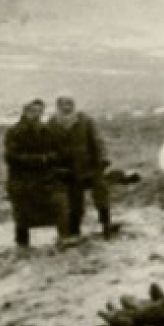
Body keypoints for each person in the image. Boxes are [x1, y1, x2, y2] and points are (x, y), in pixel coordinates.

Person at [50, 95, 117, 240]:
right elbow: (48, 145)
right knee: (75, 201)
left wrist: (103, 158)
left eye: (70, 104)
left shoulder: (85, 120)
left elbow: (98, 140)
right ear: (58, 106)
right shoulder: (52, 123)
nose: (67, 107)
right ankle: (75, 231)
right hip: (69, 169)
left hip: (90, 166)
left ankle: (106, 225)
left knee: (101, 196)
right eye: (63, 104)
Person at [4, 99, 64, 249]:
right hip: (21, 179)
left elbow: (57, 152)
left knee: (57, 206)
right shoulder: (14, 132)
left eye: (39, 111)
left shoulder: (47, 131)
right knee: (22, 214)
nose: (36, 114)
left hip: (45, 178)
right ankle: (22, 245)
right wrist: (39, 159)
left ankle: (63, 239)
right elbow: (11, 157)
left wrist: (49, 159)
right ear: (25, 111)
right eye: (32, 111)